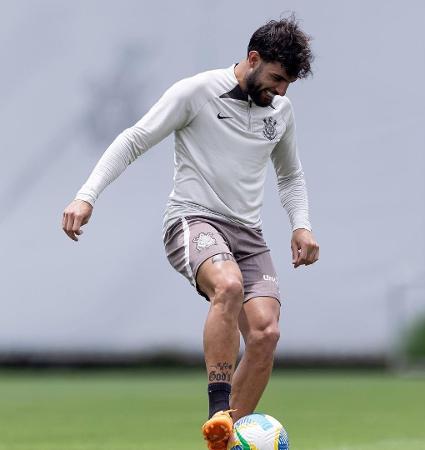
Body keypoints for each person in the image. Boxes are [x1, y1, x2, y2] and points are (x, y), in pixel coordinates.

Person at [62, 15, 319, 450]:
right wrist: (86, 196)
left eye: (288, 83)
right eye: (276, 78)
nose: (280, 90)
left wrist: (301, 225)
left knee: (265, 333)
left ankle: (225, 439)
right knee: (229, 285)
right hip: (193, 219)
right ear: (252, 59)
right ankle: (217, 411)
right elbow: (133, 139)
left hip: (249, 234)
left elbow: (290, 176)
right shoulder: (197, 92)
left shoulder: (281, 110)